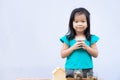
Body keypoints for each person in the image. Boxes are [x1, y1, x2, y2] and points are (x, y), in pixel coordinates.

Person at [60, 7, 99, 78]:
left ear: (87, 24)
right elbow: (62, 55)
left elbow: (96, 54)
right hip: (71, 69)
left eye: (83, 21)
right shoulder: (67, 38)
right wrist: (73, 48)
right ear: (72, 23)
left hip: (87, 69)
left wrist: (87, 47)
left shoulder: (91, 38)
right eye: (76, 21)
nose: (80, 24)